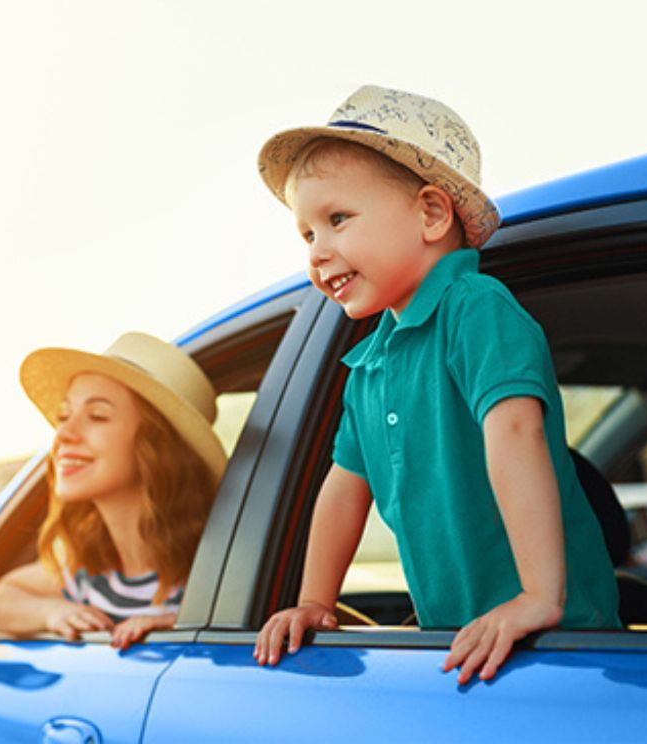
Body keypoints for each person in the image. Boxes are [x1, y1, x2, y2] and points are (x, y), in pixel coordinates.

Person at [252, 85, 619, 683]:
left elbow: (517, 432)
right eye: (308, 235)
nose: (318, 253)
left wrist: (538, 596)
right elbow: (344, 490)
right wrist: (316, 600)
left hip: (564, 644)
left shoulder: (474, 307)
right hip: (461, 645)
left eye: (337, 220)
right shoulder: (368, 366)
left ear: (430, 214)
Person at [0, 332, 225, 650]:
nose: (63, 433)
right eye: (63, 416)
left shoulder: (218, 570)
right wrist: (53, 613)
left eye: (97, 416)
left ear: (156, 447)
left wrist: (183, 622)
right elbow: (3, 600)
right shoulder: (92, 572)